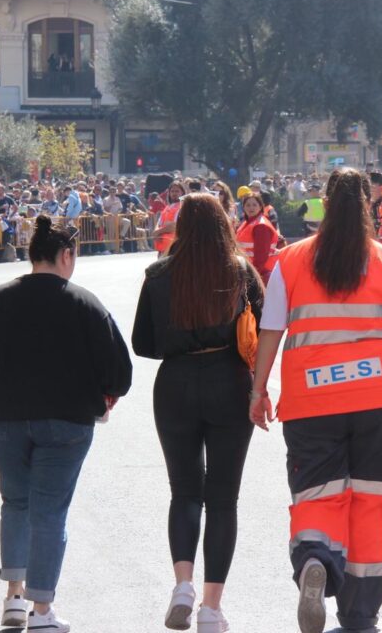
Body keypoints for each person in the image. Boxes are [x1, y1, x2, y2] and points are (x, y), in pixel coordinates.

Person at [249, 167, 382, 633]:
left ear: (324, 201)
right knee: (370, 498)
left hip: (311, 398)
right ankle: (361, 611)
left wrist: (258, 390)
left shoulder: (290, 260)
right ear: (370, 205)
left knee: (317, 493)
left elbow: (271, 332)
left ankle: (316, 560)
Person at [0, 216, 133, 633]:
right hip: (67, 424)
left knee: (15, 502)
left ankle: (14, 597)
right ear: (66, 255)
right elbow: (119, 372)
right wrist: (106, 393)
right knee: (50, 513)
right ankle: (43, 613)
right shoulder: (86, 303)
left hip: (4, 422)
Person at [132, 194, 262, 633]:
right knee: (223, 499)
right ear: (223, 223)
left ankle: (183, 584)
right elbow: (265, 330)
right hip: (229, 381)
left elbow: (143, 344)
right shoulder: (240, 271)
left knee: (184, 492)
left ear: (181, 226)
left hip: (175, 385)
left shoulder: (158, 274)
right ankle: (211, 607)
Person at [237, 192, 278, 283]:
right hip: (249, 271)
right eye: (247, 205)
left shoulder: (260, 226)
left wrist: (253, 276)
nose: (251, 208)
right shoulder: (247, 223)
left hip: (260, 274)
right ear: (243, 207)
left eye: (254, 205)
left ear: (260, 207)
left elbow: (261, 256)